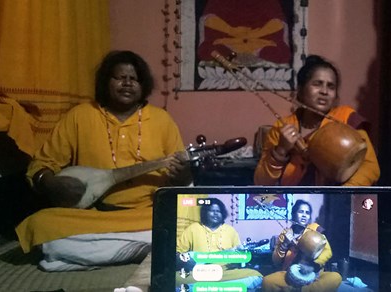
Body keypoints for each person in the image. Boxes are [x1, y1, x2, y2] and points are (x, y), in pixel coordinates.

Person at [15, 50, 192, 271]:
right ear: (105, 81)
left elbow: (183, 178)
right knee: (41, 224)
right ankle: (144, 250)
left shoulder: (161, 119)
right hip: (94, 216)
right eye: (120, 77)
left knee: (191, 224)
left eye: (134, 79)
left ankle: (102, 253)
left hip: (147, 214)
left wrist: (183, 174)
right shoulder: (80, 115)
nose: (127, 83)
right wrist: (48, 182)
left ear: (143, 85)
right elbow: (41, 164)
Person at [254, 55, 380, 186]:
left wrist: (342, 194)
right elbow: (261, 182)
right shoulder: (283, 128)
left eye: (331, 86)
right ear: (301, 90)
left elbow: (370, 167)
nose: (324, 91)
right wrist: (281, 150)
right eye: (317, 84)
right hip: (295, 201)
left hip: (340, 200)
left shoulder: (345, 119)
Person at [176, 198, 263, 291]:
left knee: (256, 276)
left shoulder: (230, 230)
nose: (215, 214)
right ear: (205, 212)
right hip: (199, 272)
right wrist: (187, 261)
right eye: (212, 211)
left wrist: (239, 256)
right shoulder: (193, 228)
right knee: (175, 279)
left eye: (218, 211)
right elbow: (178, 254)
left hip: (225, 272)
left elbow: (239, 256)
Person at [262, 199, 342, 291]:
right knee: (266, 281)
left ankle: (301, 290)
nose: (304, 215)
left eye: (307, 213)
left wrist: (312, 266)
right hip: (289, 274)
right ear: (294, 214)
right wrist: (285, 244)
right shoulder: (285, 234)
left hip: (313, 274)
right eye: (301, 212)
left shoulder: (315, 230)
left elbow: (327, 252)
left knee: (336, 277)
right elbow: (276, 261)